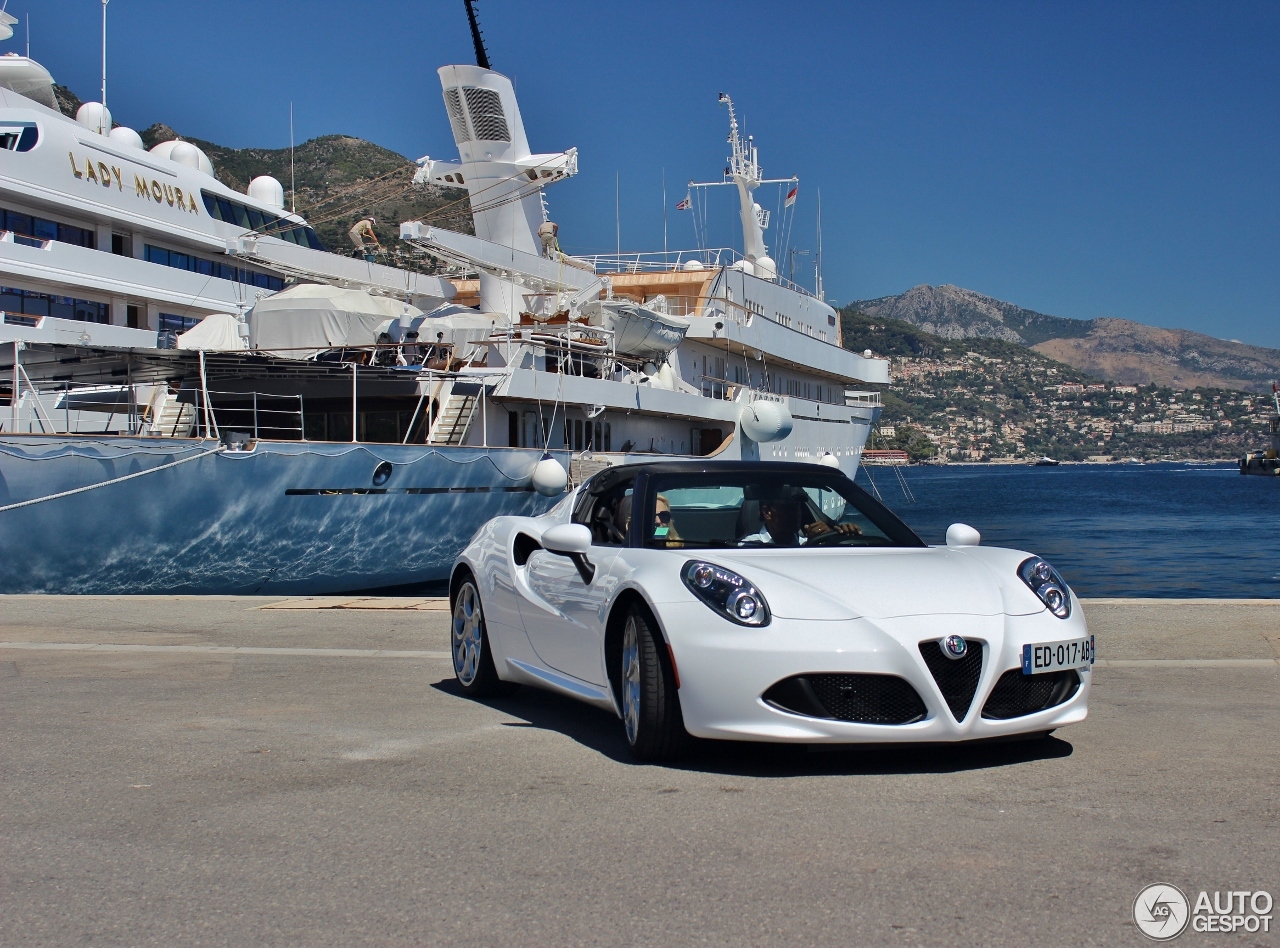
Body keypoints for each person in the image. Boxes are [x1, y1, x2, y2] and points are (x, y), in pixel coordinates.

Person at [738, 487, 860, 547]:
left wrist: (838, 539)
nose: (796, 513)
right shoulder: (749, 547)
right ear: (767, 513)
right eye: (788, 508)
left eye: (798, 507)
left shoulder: (806, 543)